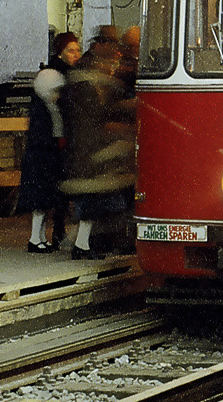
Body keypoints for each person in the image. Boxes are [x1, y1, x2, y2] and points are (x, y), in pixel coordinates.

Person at [60, 41, 137, 260]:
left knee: (92, 205)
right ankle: (81, 245)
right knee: (93, 204)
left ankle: (81, 243)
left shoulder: (82, 87)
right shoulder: (86, 89)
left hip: (87, 154)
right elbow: (96, 120)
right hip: (89, 154)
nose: (110, 68)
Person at [19, 31, 80, 253]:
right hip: (44, 154)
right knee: (41, 200)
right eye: (70, 50)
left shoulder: (48, 105)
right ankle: (36, 238)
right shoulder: (45, 108)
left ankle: (40, 237)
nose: (75, 54)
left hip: (47, 153)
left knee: (44, 200)